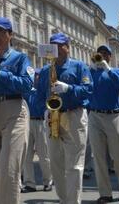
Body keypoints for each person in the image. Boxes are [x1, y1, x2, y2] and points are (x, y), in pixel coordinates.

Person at [35, 33, 92, 204]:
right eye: (53, 46)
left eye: (60, 45)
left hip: (74, 115)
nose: (56, 49)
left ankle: (73, 202)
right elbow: (39, 95)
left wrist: (68, 88)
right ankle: (63, 199)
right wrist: (44, 109)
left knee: (74, 165)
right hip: (53, 116)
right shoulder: (45, 70)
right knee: (55, 163)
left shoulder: (79, 66)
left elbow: (88, 90)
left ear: (68, 47)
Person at [0, 17, 33, 204]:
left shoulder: (20, 58)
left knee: (9, 169)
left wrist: (2, 75)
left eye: (0, 32)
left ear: (10, 35)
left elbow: (27, 84)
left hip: (14, 110)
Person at [89, 45, 119, 203]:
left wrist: (108, 69)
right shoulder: (91, 71)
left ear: (110, 57)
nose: (102, 56)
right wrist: (91, 70)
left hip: (114, 116)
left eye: (105, 54)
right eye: (100, 53)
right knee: (98, 157)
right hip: (95, 116)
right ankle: (105, 193)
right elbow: (86, 88)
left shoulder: (116, 71)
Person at [22, 68, 53, 193]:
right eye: (35, 76)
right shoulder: (27, 90)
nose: (36, 78)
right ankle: (29, 183)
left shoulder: (45, 90)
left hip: (41, 122)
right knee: (26, 155)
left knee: (44, 154)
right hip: (28, 122)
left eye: (38, 76)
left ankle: (48, 181)